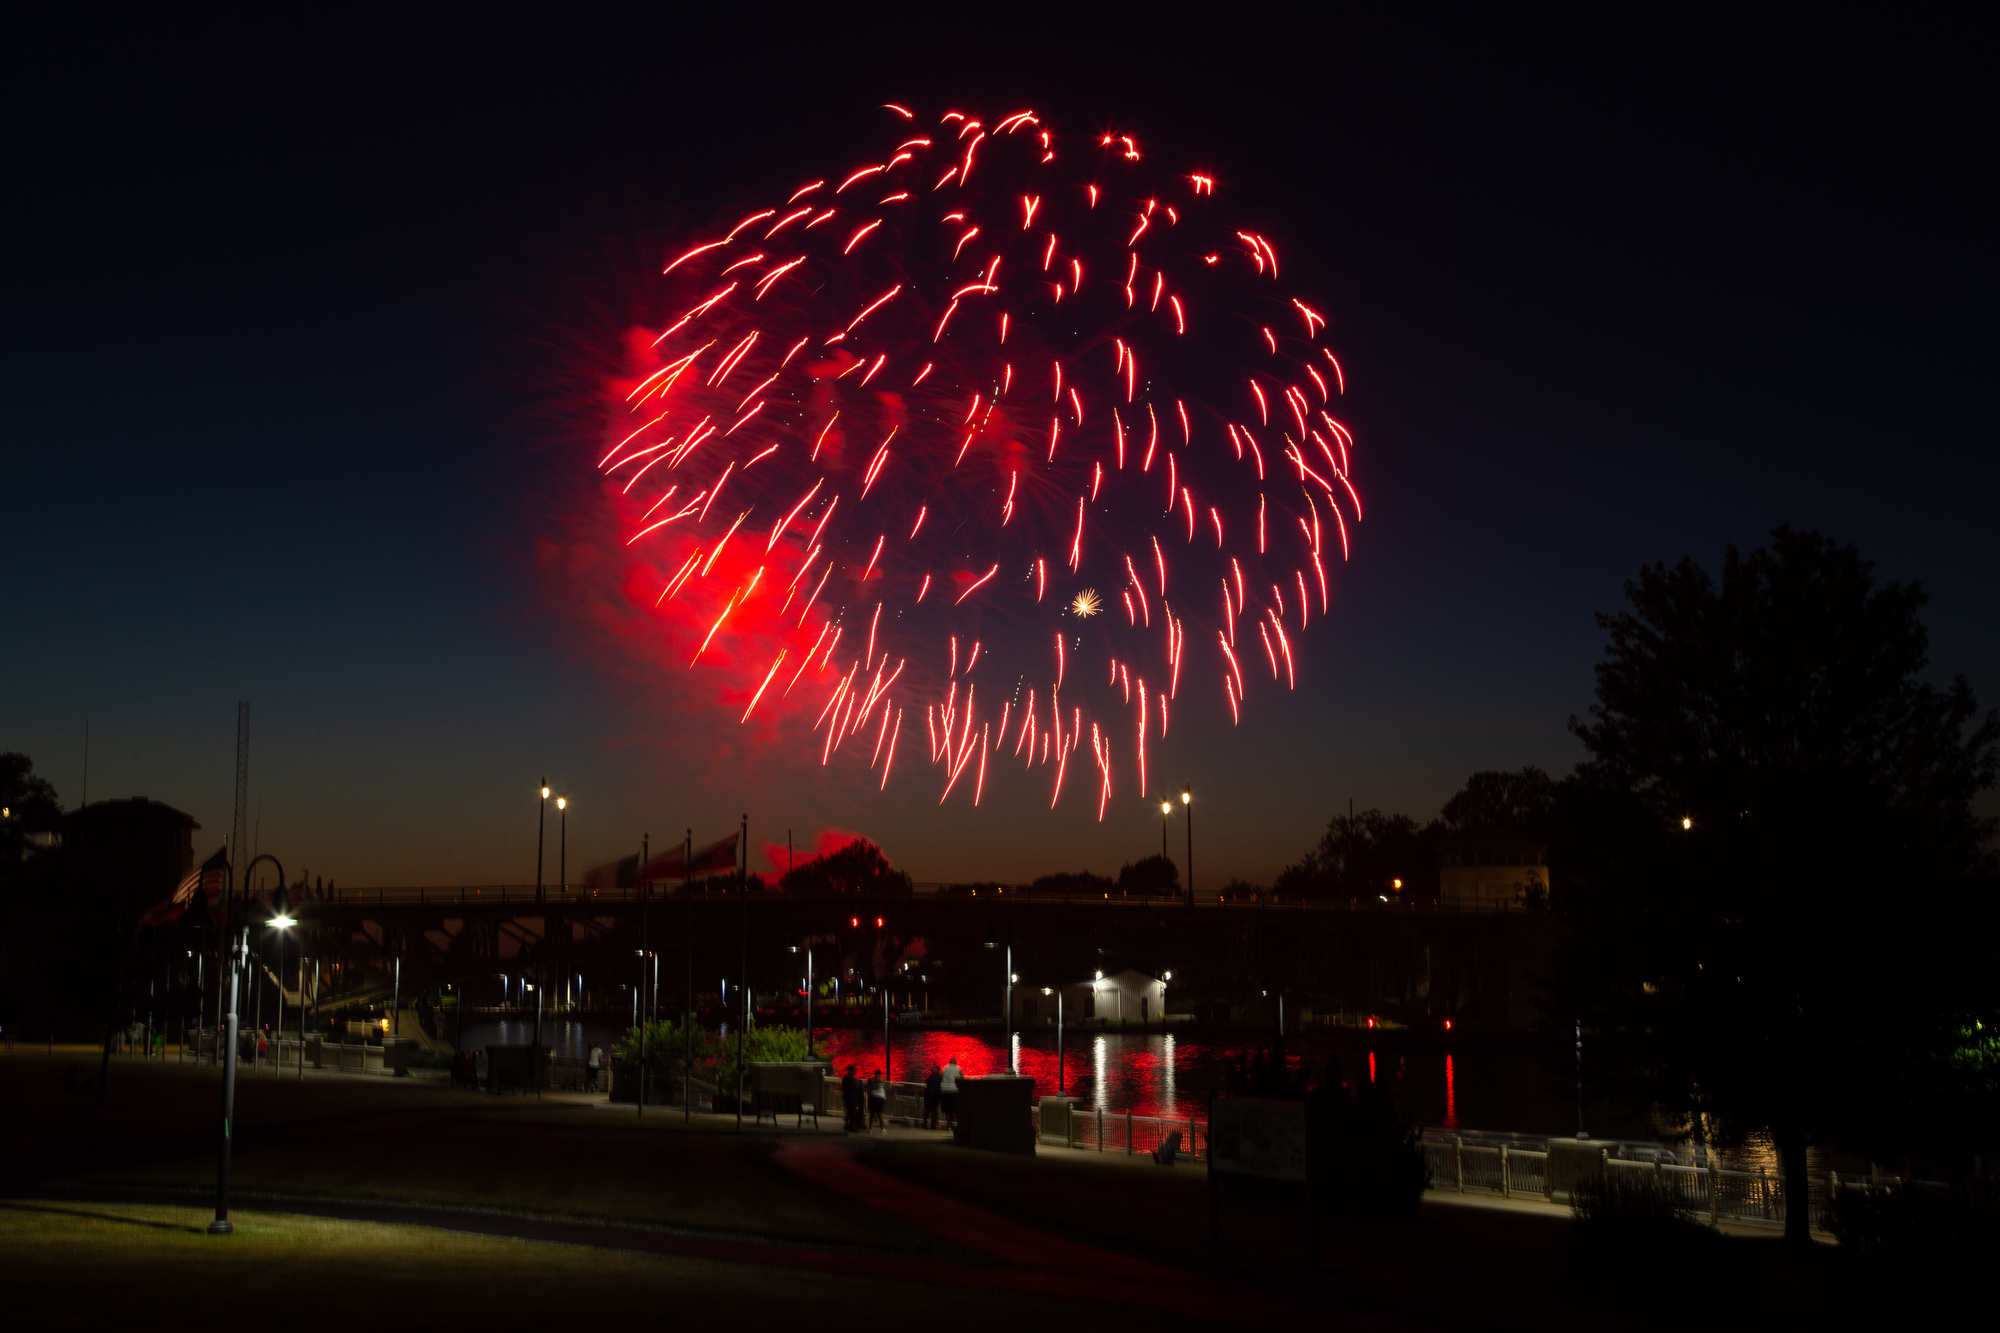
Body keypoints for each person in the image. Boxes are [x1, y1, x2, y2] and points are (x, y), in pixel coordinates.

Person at [938, 1056, 963, 1129]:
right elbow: (962, 1077)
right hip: (954, 1090)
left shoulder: (944, 1068)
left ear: (949, 1062)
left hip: (944, 1090)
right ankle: (958, 1124)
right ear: (955, 1062)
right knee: (956, 1108)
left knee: (947, 1109)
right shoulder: (958, 1068)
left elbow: (941, 1077)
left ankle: (949, 1125)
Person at [841, 1065, 862, 1132]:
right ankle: (853, 1125)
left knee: (848, 1110)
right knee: (853, 1111)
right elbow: (855, 1087)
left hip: (846, 1095)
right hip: (852, 1095)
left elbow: (843, 1087)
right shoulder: (852, 1079)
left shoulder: (845, 1078)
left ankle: (849, 1124)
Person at [923, 1064, 943, 1130]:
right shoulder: (939, 1078)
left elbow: (927, 1082)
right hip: (935, 1095)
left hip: (928, 1095)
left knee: (927, 1109)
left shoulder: (930, 1077)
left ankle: (925, 1123)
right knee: (934, 1111)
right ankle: (933, 1124)